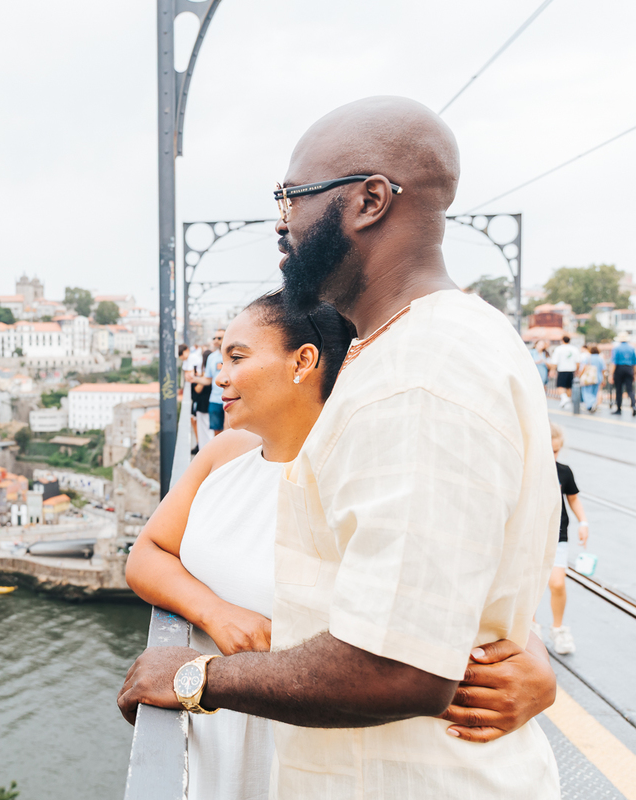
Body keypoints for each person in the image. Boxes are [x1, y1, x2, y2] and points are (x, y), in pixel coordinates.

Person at [118, 97, 560, 799]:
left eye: (290, 196)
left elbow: (398, 664)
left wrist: (197, 676)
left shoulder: (420, 375)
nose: (280, 221)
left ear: (369, 201)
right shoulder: (416, 349)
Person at [546, 423, 589, 655]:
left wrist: (583, 522)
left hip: (558, 533)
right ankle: (529, 628)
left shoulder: (563, 471)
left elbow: (573, 499)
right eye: (549, 450)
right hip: (530, 535)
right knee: (528, 585)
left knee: (557, 583)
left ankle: (558, 628)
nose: (553, 456)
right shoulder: (526, 470)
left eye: (556, 451)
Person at [190, 329, 226, 449]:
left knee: (230, 432)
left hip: (230, 399)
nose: (216, 340)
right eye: (214, 338)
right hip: (215, 399)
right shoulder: (212, 357)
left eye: (219, 338)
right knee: (216, 433)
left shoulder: (232, 355)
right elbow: (208, 379)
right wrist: (195, 379)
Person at [551, 334, 579, 408]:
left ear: (562, 340)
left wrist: (552, 370)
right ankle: (567, 402)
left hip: (562, 369)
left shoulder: (558, 349)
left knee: (560, 386)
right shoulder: (574, 349)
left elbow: (555, 361)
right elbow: (578, 361)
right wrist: (577, 370)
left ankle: (564, 398)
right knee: (569, 387)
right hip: (571, 370)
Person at [612, 331, 636, 415]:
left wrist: (611, 374)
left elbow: (614, 362)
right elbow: (634, 363)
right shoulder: (631, 348)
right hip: (629, 369)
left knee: (619, 390)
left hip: (619, 369)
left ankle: (619, 408)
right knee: (630, 389)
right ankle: (633, 405)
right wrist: (634, 373)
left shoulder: (617, 348)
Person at [579, 344, 604, 412]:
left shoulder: (588, 358)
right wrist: (603, 378)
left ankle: (590, 404)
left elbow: (584, 367)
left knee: (586, 392)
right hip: (598, 377)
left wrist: (580, 375)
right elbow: (603, 369)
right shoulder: (600, 358)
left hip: (589, 378)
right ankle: (594, 403)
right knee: (595, 392)